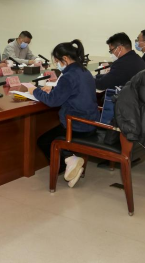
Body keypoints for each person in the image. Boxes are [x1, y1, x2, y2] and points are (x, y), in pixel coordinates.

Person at [27, 40, 99, 188]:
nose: (56, 64)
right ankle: (70, 162)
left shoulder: (68, 76)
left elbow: (52, 101)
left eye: (57, 60)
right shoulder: (84, 71)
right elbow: (74, 91)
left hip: (76, 125)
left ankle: (67, 162)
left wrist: (35, 91)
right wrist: (54, 90)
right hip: (90, 122)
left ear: (65, 58)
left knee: (44, 141)